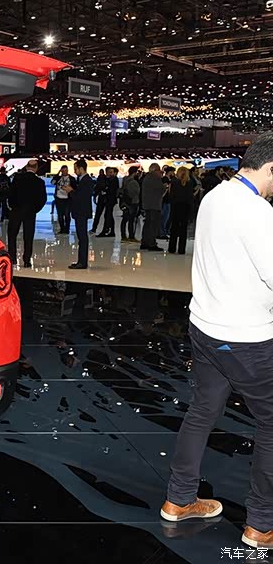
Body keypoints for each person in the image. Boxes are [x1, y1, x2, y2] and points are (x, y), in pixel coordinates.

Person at [161, 133, 273, 549]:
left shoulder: (215, 195)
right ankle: (261, 524)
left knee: (202, 410)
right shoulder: (257, 211)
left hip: (205, 327)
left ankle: (178, 500)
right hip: (244, 338)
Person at [6, 159, 46, 267]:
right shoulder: (39, 182)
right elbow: (42, 199)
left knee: (12, 235)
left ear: (27, 167)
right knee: (28, 237)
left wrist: (12, 206)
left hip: (16, 211)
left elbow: (11, 193)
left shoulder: (17, 178)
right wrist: (35, 209)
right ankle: (27, 260)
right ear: (36, 168)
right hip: (30, 212)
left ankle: (12, 258)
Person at [64, 159, 93, 270]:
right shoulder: (81, 180)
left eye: (76, 169)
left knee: (82, 237)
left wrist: (71, 191)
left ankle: (82, 262)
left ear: (81, 168)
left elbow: (81, 197)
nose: (74, 171)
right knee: (81, 236)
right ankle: (81, 261)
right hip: (79, 212)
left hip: (82, 212)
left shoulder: (87, 181)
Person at [167, 167, 194, 255]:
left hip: (176, 207)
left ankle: (172, 248)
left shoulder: (174, 182)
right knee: (183, 229)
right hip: (186, 207)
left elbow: (171, 196)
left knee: (174, 228)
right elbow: (190, 198)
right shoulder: (190, 183)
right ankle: (181, 249)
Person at [140, 163, 164, 251]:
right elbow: (161, 189)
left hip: (147, 204)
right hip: (154, 205)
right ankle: (151, 243)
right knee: (153, 225)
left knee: (147, 224)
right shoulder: (155, 178)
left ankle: (145, 242)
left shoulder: (146, 178)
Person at [120, 166, 141, 243]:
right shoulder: (133, 182)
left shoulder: (125, 180)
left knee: (124, 219)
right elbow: (136, 193)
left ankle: (123, 236)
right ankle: (131, 236)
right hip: (132, 202)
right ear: (134, 173)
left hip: (125, 202)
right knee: (131, 220)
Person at [97, 167, 119, 238]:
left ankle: (106, 230)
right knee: (108, 215)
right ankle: (111, 230)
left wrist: (106, 189)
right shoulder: (110, 179)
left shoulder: (113, 180)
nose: (109, 173)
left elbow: (111, 190)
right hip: (109, 200)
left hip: (110, 200)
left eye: (111, 172)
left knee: (108, 215)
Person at [52, 165, 73, 234]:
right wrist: (58, 174)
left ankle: (67, 229)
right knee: (60, 215)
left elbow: (75, 188)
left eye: (66, 170)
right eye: (63, 171)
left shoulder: (71, 179)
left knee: (67, 215)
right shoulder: (58, 178)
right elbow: (52, 182)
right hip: (59, 199)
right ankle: (62, 229)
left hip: (67, 199)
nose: (64, 172)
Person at [159, 167, 175, 240]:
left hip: (167, 201)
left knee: (166, 217)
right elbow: (166, 190)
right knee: (164, 217)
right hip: (165, 201)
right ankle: (162, 232)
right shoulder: (165, 179)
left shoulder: (168, 179)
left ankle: (164, 231)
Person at [91, 169, 107, 234]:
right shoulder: (104, 179)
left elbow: (96, 189)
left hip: (102, 198)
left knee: (99, 214)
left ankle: (94, 228)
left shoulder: (101, 179)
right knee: (102, 214)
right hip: (102, 198)